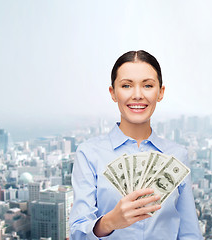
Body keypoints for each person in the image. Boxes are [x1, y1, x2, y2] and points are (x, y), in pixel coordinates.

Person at [69, 50, 203, 240]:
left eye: (148, 85)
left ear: (160, 92)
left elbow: (190, 233)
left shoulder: (177, 155)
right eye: (126, 86)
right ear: (113, 93)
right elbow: (77, 232)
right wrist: (110, 222)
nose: (138, 95)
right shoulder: (89, 154)